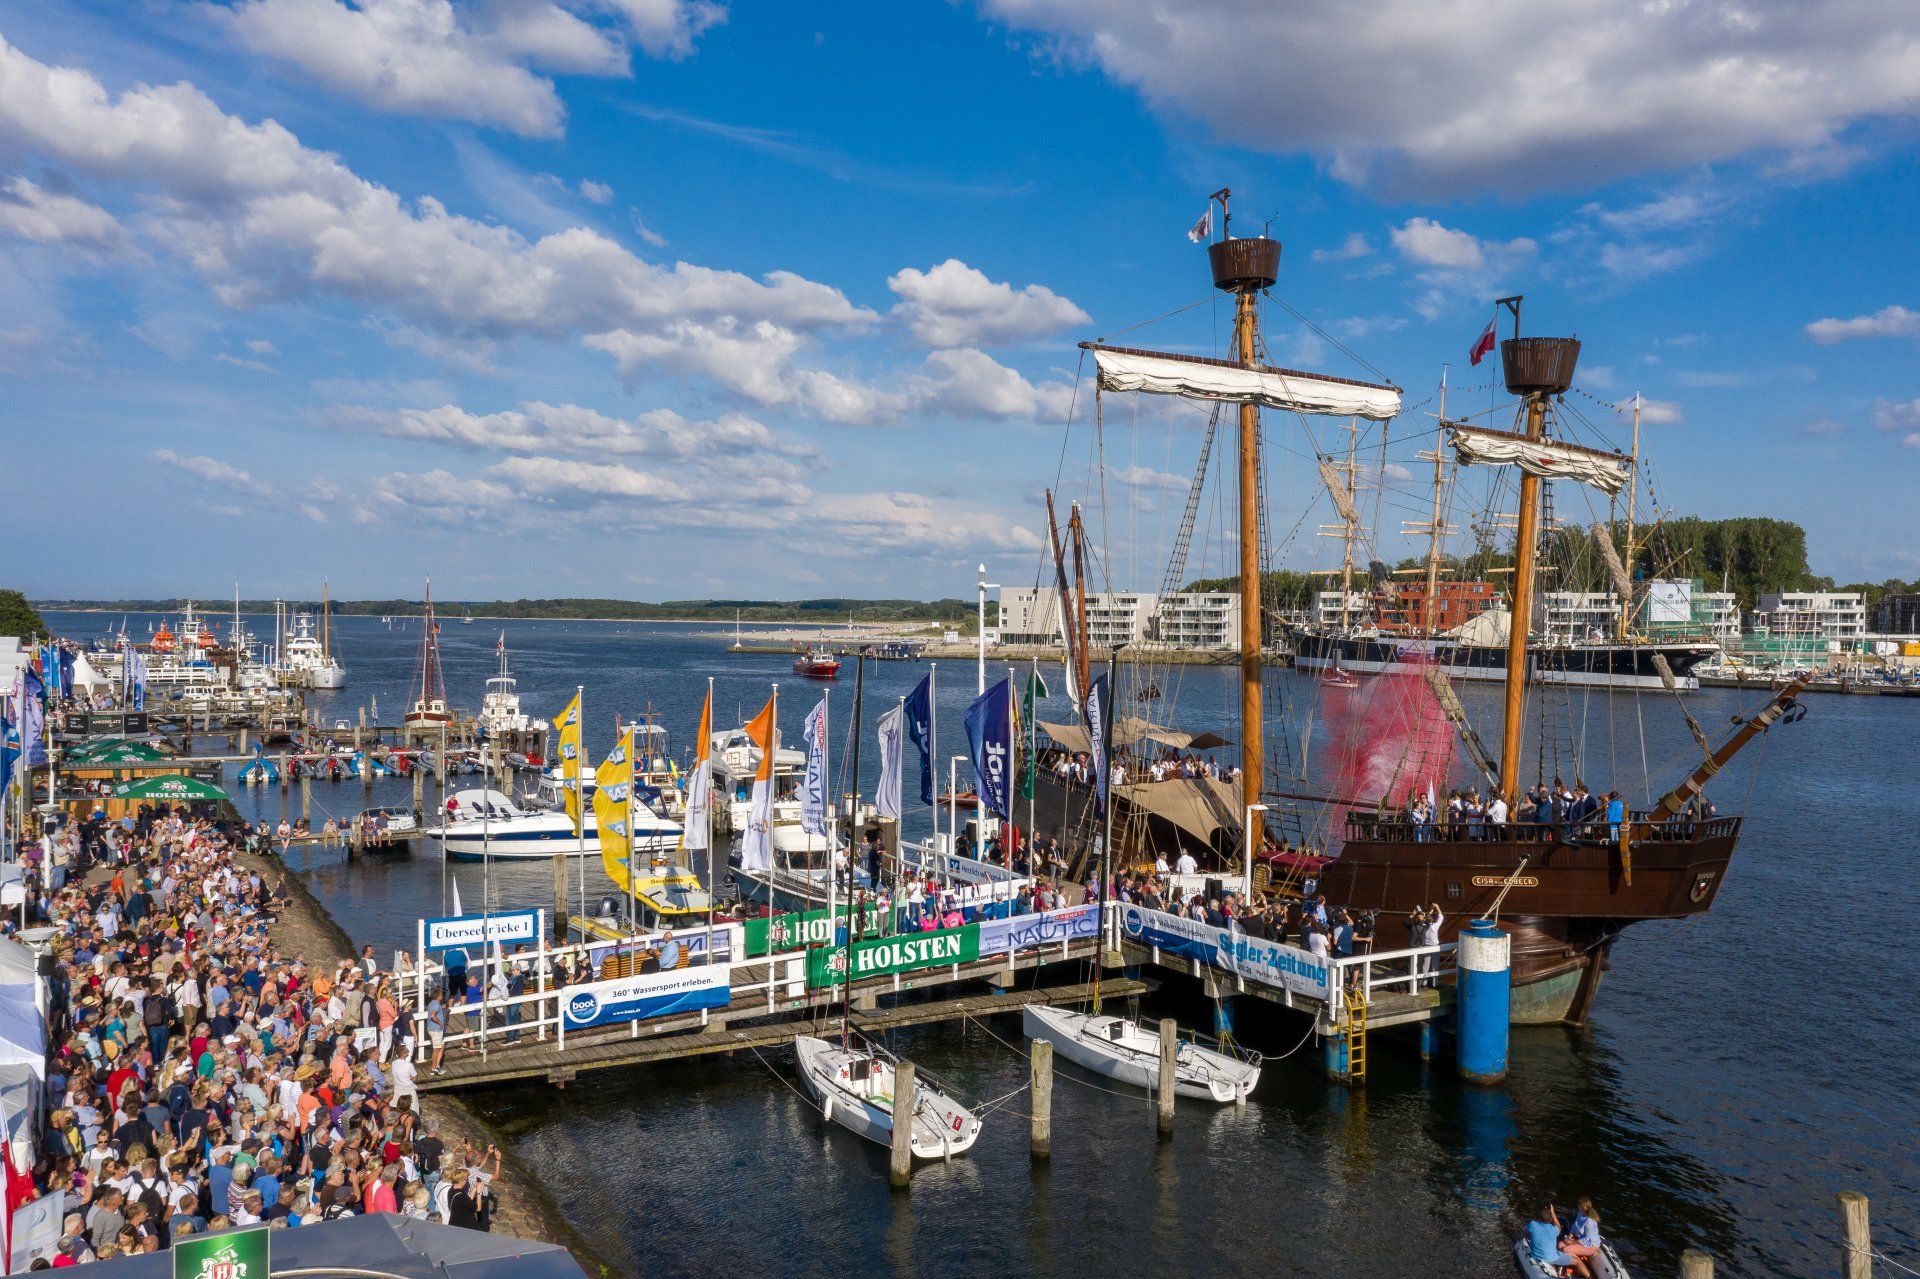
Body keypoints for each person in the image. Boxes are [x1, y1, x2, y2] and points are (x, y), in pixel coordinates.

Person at [1524, 1204, 1591, 1277]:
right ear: (1551, 1219)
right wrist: (1552, 1213)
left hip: (1537, 1256)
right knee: (1577, 1261)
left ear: (1539, 1218)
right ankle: (1589, 1277)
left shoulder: (1532, 1224)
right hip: (1551, 1258)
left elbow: (1525, 1234)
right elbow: (1559, 1227)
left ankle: (1555, 1269)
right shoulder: (1554, 1230)